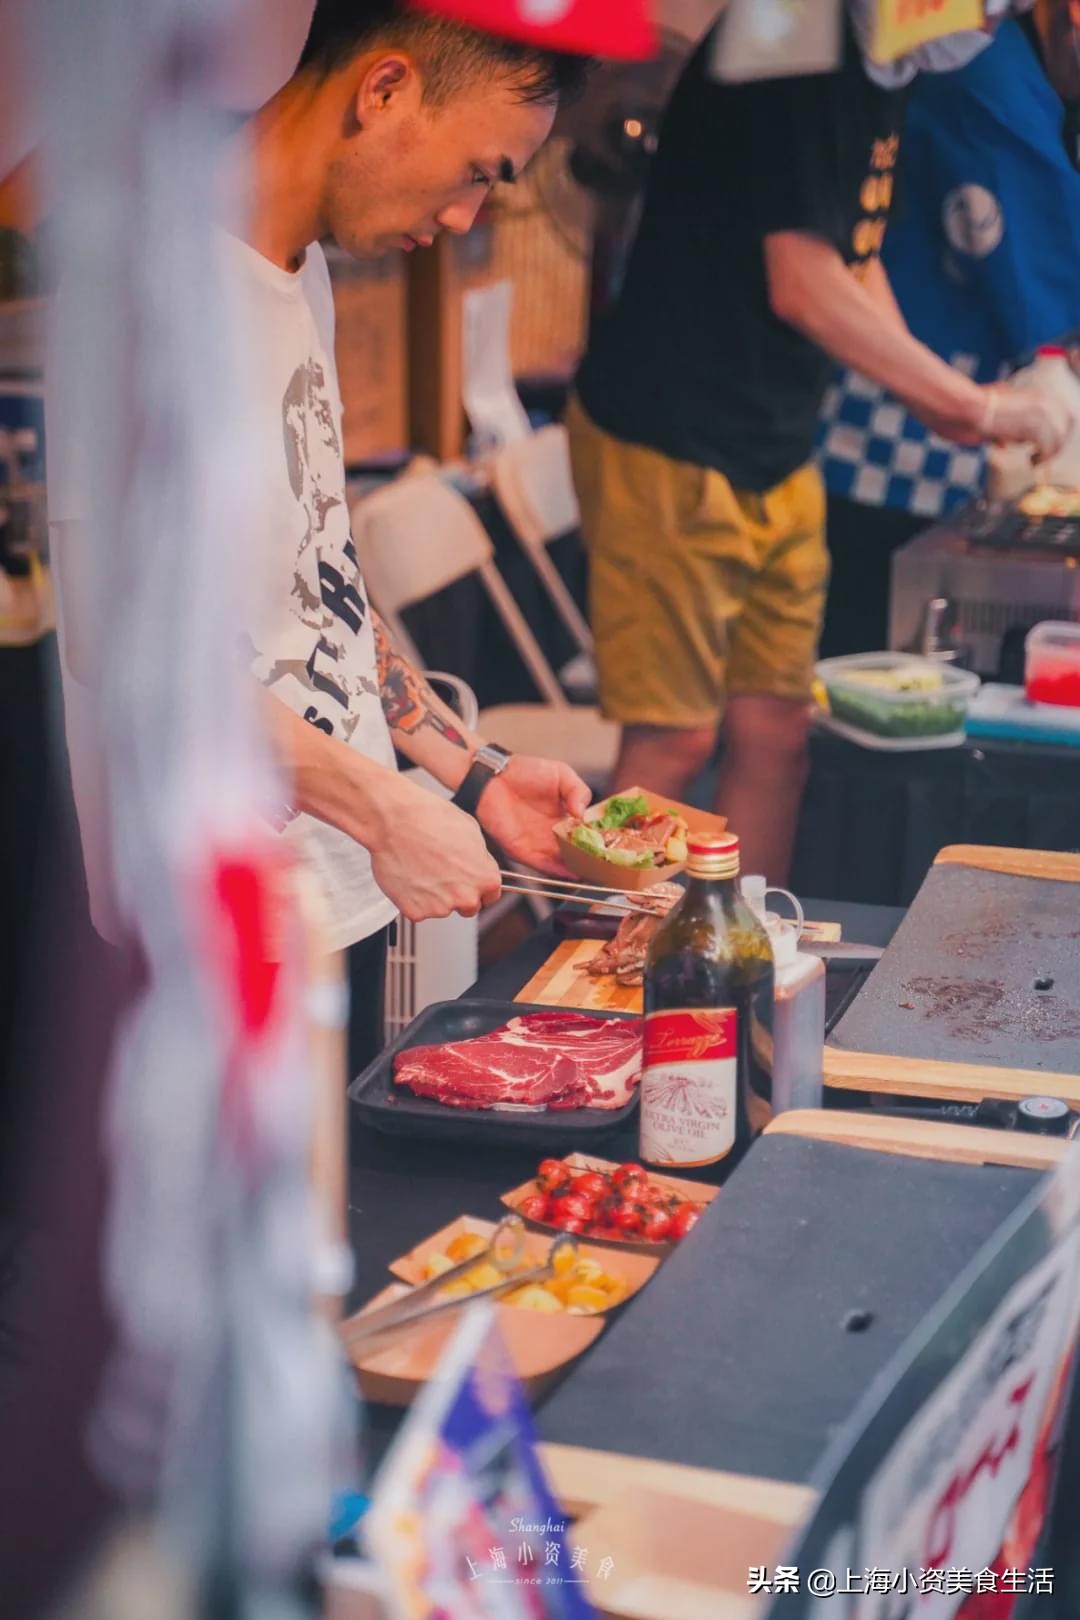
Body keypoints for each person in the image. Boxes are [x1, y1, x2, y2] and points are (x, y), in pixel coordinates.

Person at [48, 0, 592, 1070]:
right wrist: (385, 810)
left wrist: (472, 773)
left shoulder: (301, 269)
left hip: (333, 885)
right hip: (210, 932)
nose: (467, 217)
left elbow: (319, 573)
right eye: (476, 172)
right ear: (384, 90)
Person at [566, 6, 1072, 884]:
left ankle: (745, 944)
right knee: (676, 738)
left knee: (778, 732)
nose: (996, 18)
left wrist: (936, 396)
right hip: (671, 434)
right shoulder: (795, 38)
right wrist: (973, 404)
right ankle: (593, 957)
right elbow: (800, 281)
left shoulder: (881, 68)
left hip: (779, 440)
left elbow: (854, 255)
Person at [818, 12, 1080, 657]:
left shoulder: (1002, 65)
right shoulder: (984, 74)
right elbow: (1049, 278)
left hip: (924, 411)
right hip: (889, 431)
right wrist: (985, 408)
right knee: (867, 658)